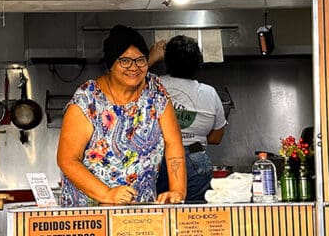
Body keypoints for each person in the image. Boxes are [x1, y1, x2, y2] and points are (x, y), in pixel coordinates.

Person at [56, 25, 186, 206]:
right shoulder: (88, 99)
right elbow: (67, 159)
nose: (134, 68)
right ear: (111, 63)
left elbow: (173, 142)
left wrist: (177, 190)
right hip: (90, 215)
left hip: (140, 212)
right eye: (125, 61)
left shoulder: (155, 92)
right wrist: (107, 194)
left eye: (140, 60)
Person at [149, 35, 227, 203]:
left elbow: (126, 83)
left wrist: (152, 57)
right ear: (197, 64)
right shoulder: (210, 93)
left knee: (154, 218)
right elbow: (216, 137)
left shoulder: (153, 85)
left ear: (166, 61)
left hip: (157, 160)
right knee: (192, 219)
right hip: (196, 158)